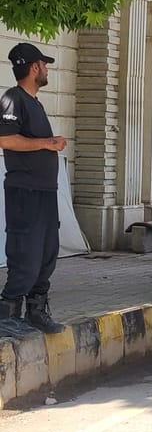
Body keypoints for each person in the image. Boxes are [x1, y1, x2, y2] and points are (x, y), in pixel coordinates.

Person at [0, 42, 68, 332]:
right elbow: (6, 139)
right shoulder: (13, 99)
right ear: (34, 67)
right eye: (44, 64)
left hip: (44, 192)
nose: (47, 69)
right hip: (24, 192)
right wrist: (47, 143)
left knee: (47, 253)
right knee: (25, 253)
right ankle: (8, 315)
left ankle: (36, 312)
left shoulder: (34, 103)